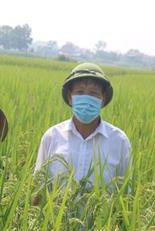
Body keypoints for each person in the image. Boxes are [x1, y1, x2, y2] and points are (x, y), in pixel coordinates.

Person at [34, 62, 131, 202]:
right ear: (70, 97)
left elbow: (124, 196)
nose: (86, 98)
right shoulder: (52, 136)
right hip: (55, 223)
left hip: (101, 223)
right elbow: (38, 189)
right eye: (79, 92)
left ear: (103, 99)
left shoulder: (119, 141)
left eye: (94, 93)